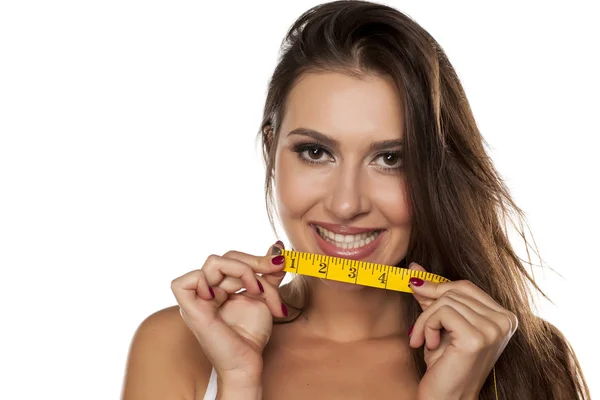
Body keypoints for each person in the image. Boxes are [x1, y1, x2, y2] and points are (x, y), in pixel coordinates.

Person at [121, 1, 590, 399]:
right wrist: (238, 382)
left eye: (390, 159)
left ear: (435, 170)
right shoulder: (178, 344)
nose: (347, 205)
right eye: (316, 152)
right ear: (271, 149)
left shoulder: (525, 356)